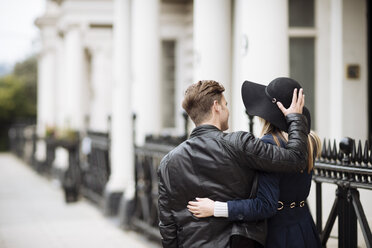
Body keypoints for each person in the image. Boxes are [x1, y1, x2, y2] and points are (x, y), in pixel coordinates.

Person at [158, 79, 309, 248]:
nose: (227, 110)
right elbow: (296, 159)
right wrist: (295, 118)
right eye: (226, 104)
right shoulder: (239, 144)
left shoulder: (168, 163)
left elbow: (167, 225)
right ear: (216, 106)